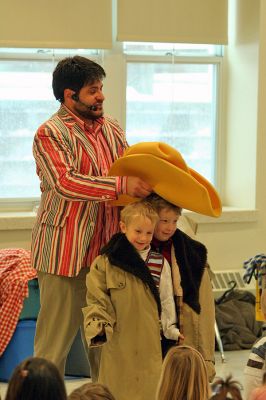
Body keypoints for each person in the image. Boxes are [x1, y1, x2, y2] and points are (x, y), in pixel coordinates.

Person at [31, 55, 152, 378]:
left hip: (106, 257)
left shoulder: (112, 128)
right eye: (92, 91)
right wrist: (122, 185)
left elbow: (127, 171)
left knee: (103, 341)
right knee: (52, 345)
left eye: (100, 89)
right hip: (64, 255)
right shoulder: (50, 133)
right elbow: (65, 182)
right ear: (69, 96)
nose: (101, 96)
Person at [83, 200, 182, 400]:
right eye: (138, 231)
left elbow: (166, 300)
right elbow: (96, 297)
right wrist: (98, 326)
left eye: (148, 233)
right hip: (117, 339)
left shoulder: (159, 262)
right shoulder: (106, 262)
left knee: (149, 389)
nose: (143, 238)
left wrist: (171, 328)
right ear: (123, 227)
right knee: (114, 390)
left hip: (150, 341)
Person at [146, 193, 216, 381]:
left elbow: (204, 310)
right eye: (164, 221)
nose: (170, 227)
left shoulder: (191, 253)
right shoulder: (138, 247)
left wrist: (206, 358)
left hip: (179, 323)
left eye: (175, 221)